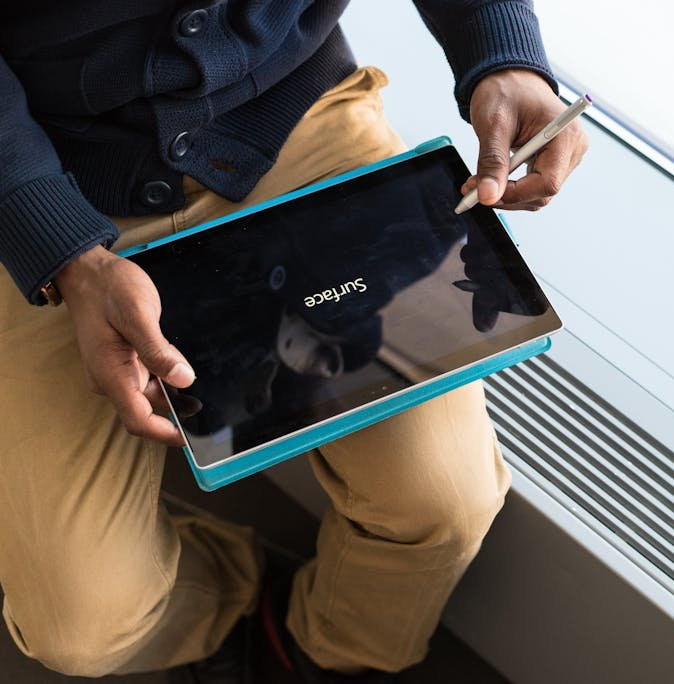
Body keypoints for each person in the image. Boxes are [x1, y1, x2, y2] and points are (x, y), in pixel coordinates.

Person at [0, 2, 588, 682]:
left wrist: (502, 50)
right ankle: (234, 602)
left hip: (290, 113)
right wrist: (62, 252)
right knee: (82, 632)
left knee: (444, 503)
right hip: (39, 168)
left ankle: (314, 652)